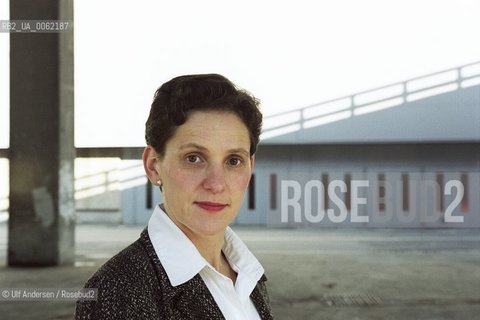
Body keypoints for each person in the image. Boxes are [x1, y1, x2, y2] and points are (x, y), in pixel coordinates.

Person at [75, 74, 273, 319]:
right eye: (194, 158)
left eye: (233, 161)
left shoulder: (247, 274)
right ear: (154, 165)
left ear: (250, 167)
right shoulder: (116, 292)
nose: (216, 184)